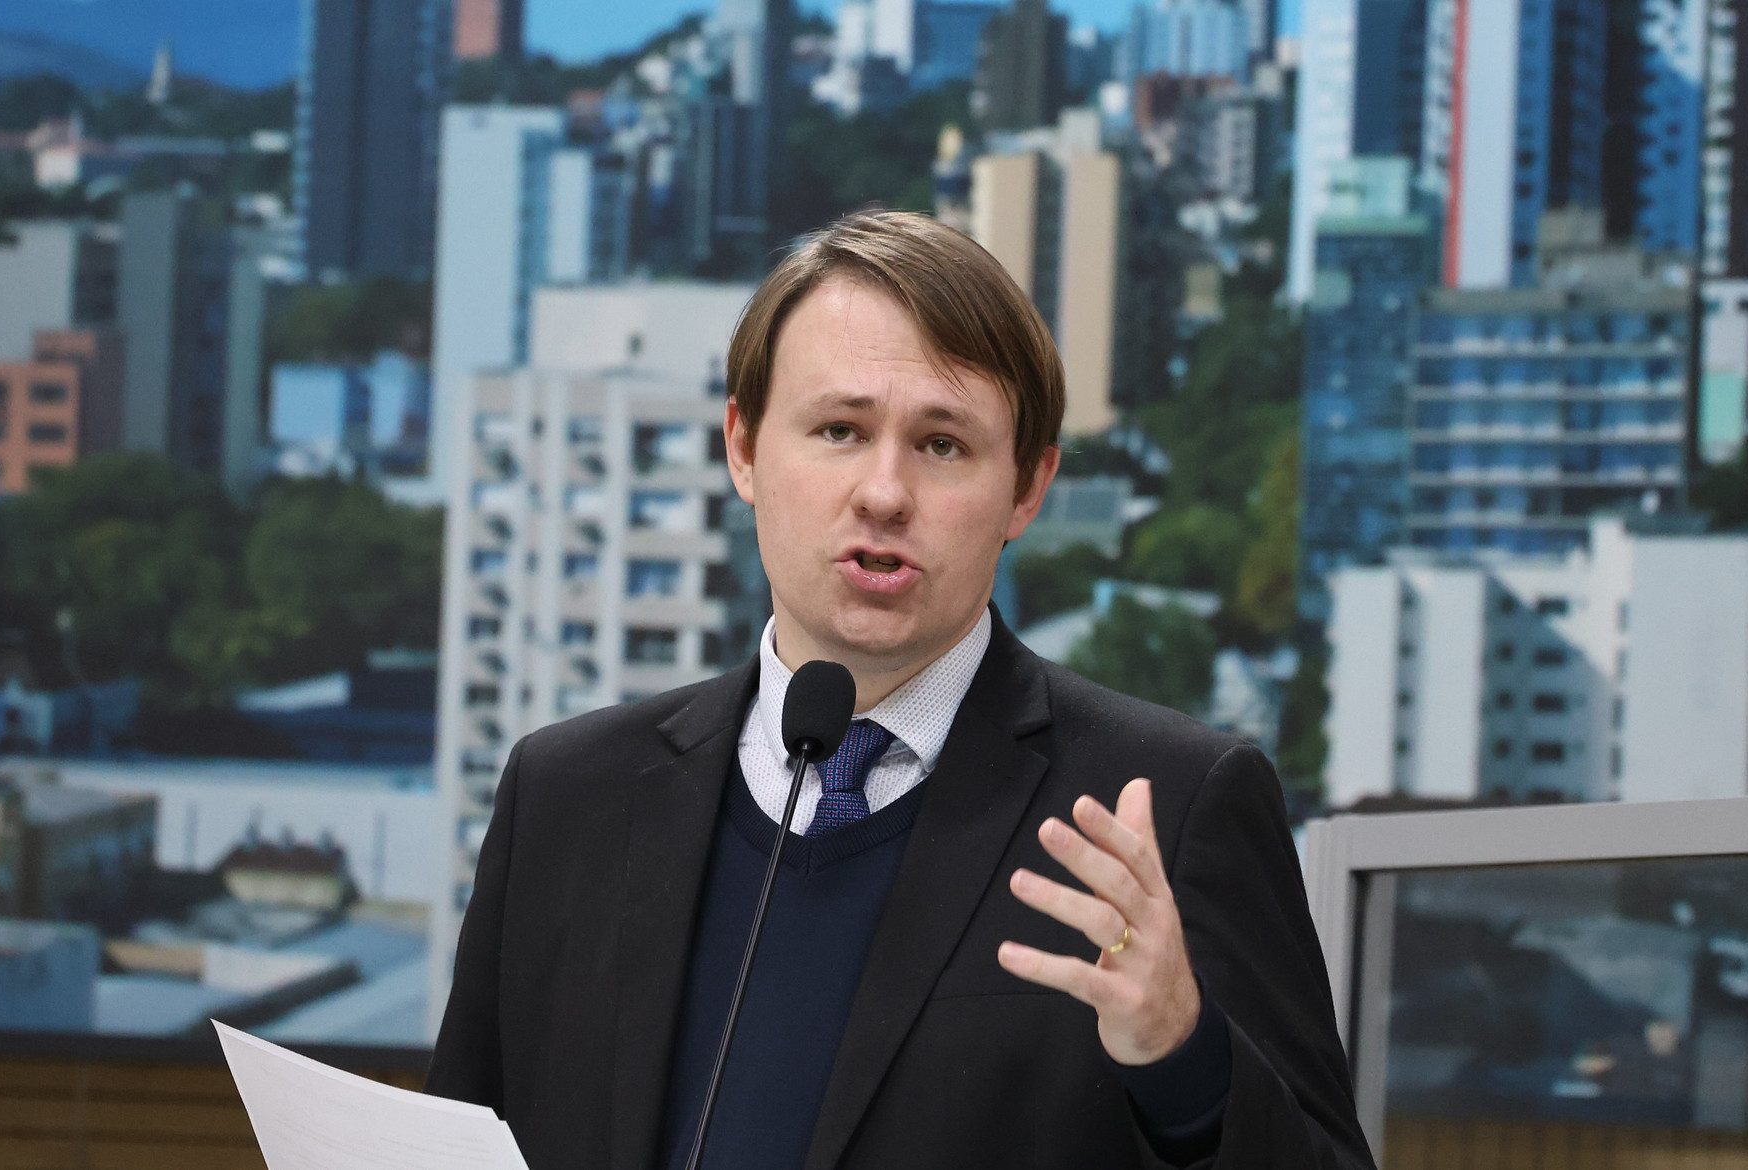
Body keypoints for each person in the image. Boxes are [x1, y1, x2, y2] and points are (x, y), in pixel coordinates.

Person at [426, 210, 1373, 1170]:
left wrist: (1185, 1062)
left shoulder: (1168, 809)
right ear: (744, 447)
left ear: (1027, 488)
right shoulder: (568, 797)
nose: (884, 493)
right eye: (840, 430)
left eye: (943, 445)